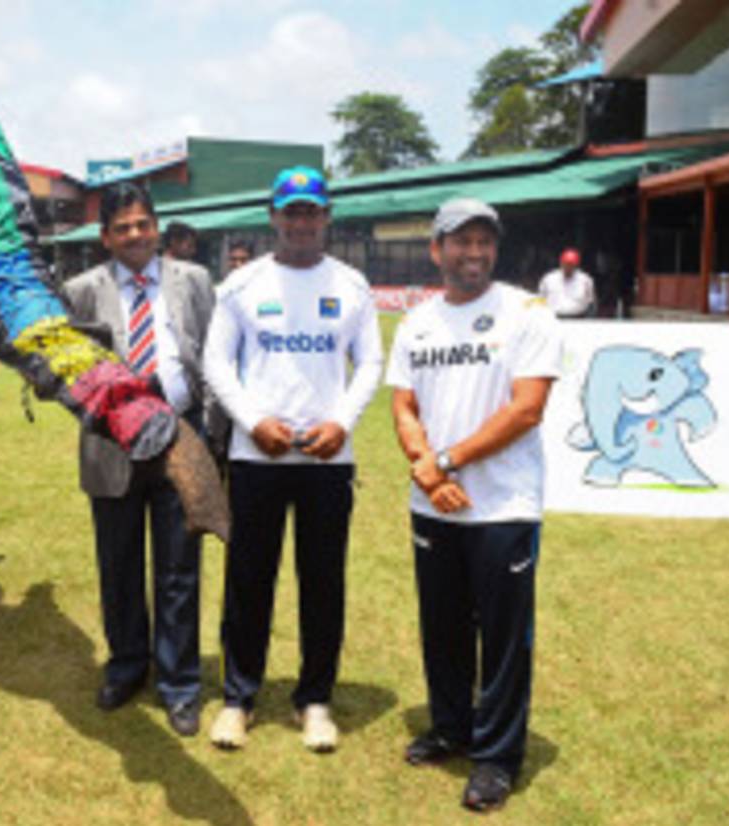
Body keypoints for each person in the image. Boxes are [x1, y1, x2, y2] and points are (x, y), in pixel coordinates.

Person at [386, 198, 561, 813]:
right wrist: (426, 470)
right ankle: (452, 728)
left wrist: (448, 461)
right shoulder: (417, 322)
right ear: (436, 249)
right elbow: (403, 404)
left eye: (484, 241)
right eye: (460, 241)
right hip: (433, 504)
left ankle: (496, 757)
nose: (474, 252)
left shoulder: (526, 313)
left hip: (503, 507)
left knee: (505, 639)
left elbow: (526, 408)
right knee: (443, 628)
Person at [203, 166, 383, 752]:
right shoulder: (242, 286)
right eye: (292, 211)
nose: (302, 221)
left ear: (327, 216)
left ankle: (315, 700)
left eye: (312, 210)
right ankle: (238, 698)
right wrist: (255, 422)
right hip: (257, 458)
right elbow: (217, 365)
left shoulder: (352, 285)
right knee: (249, 578)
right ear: (273, 216)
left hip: (327, 460)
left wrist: (341, 423)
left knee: (322, 581)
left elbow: (371, 365)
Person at [61, 182, 216, 736]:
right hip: (112, 446)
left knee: (180, 568)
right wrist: (95, 409)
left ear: (158, 227)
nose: (134, 235)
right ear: (105, 237)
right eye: (122, 227)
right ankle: (127, 666)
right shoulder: (80, 290)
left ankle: (179, 683)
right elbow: (60, 371)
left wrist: (212, 435)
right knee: (119, 565)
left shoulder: (194, 281)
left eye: (142, 224)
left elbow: (212, 357)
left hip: (181, 437)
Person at [537, 248, 594, 318]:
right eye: (566, 263)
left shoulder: (586, 280)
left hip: (578, 318)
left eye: (571, 264)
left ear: (576, 265)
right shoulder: (548, 279)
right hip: (554, 318)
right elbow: (541, 299)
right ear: (561, 263)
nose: (568, 267)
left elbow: (590, 302)